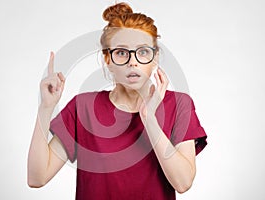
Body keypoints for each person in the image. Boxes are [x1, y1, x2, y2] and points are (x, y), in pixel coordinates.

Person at [27, 2, 207, 200]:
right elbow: (37, 178)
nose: (133, 61)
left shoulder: (179, 104)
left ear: (155, 58)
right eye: (121, 52)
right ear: (108, 60)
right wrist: (46, 108)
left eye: (143, 51)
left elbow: (183, 183)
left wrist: (150, 120)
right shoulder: (83, 107)